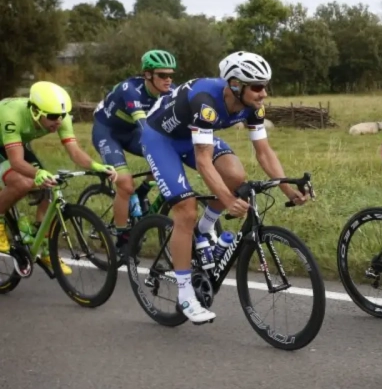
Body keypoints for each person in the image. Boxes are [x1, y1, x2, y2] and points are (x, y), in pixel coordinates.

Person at [140, 51, 309, 324]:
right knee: (185, 210)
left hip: (192, 135)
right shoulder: (205, 101)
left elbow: (264, 152)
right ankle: (185, 295)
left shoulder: (253, 106)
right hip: (161, 138)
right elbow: (204, 161)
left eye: (265, 85)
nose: (263, 93)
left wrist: (287, 189)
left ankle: (205, 228)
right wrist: (227, 201)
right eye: (256, 86)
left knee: (235, 175)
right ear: (234, 84)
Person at [0, 82, 117, 273]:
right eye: (53, 117)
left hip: (16, 142)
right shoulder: (12, 116)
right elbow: (16, 162)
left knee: (48, 183)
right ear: (36, 112)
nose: (59, 121)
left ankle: (42, 245)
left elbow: (74, 151)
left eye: (63, 116)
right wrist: (36, 173)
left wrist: (97, 166)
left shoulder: (60, 118)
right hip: (4, 140)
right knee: (21, 182)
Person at [91, 49, 177, 258]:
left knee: (169, 154)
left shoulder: (170, 90)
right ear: (148, 75)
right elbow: (145, 127)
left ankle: (144, 190)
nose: (168, 80)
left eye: (170, 75)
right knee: (125, 184)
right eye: (162, 75)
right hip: (108, 132)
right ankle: (122, 238)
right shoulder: (131, 90)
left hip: (131, 132)